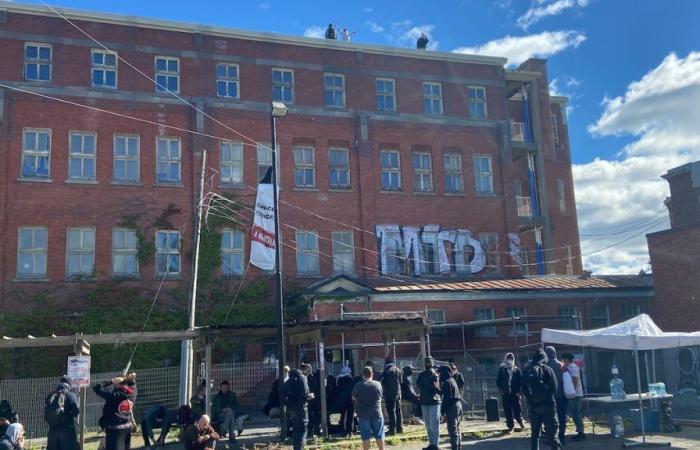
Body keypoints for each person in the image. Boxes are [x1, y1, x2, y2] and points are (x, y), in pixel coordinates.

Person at [523, 349, 560, 450]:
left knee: (535, 435)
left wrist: (531, 399)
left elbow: (524, 389)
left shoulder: (527, 370)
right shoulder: (548, 369)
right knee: (552, 435)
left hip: (534, 407)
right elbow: (554, 388)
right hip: (548, 406)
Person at [93, 373, 137, 450]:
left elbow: (96, 388)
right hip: (127, 426)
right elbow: (133, 383)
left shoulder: (113, 395)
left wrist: (111, 381)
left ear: (117, 383)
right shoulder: (132, 392)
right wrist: (131, 379)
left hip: (114, 429)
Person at [352, 366, 385, 450]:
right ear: (372, 374)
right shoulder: (378, 384)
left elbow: (353, 397)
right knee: (379, 435)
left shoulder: (359, 385)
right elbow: (381, 396)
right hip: (377, 413)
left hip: (363, 414)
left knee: (365, 437)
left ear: (363, 375)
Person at [45, 377, 80, 450]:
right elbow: (76, 412)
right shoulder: (70, 395)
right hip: (67, 431)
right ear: (69, 385)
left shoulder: (51, 395)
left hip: (53, 431)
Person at [416, 357, 441, 450]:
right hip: (425, 401)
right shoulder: (422, 374)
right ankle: (432, 444)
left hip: (434, 402)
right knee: (428, 425)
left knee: (433, 424)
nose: (427, 364)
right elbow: (418, 384)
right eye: (426, 363)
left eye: (429, 363)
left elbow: (436, 388)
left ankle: (435, 445)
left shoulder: (435, 374)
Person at [284, 368, 312, 450]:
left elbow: (283, 393)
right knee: (302, 429)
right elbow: (305, 393)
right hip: (301, 408)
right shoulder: (302, 379)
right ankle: (300, 447)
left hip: (291, 408)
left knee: (296, 429)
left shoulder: (288, 381)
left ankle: (296, 447)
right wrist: (310, 396)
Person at [544, 346, 567, 444]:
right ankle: (562, 438)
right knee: (562, 417)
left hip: (549, 397)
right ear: (554, 353)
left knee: (550, 418)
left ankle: (552, 439)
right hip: (562, 395)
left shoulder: (544, 366)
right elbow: (566, 380)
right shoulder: (562, 365)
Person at [496, 352, 524, 432]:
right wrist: (502, 391)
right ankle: (510, 426)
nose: (510, 360)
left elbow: (521, 382)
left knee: (517, 409)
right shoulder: (502, 369)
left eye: (511, 359)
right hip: (506, 393)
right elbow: (498, 381)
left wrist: (519, 392)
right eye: (509, 359)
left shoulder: (516, 369)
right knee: (508, 410)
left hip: (515, 393)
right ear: (506, 359)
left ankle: (520, 422)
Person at [561, 353, 586, 441]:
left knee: (576, 414)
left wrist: (572, 391)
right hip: (575, 395)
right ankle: (580, 432)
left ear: (567, 359)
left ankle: (581, 433)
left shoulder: (572, 367)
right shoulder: (572, 366)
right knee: (575, 414)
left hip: (576, 395)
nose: (563, 362)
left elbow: (575, 379)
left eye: (564, 359)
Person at [438, 366, 462, 450]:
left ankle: (455, 448)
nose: (439, 375)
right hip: (458, 405)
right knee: (457, 428)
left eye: (440, 373)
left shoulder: (447, 382)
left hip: (452, 407)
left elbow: (447, 398)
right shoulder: (452, 380)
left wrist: (442, 412)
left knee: (452, 429)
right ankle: (458, 447)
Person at [380, 357, 403, 435]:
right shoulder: (398, 370)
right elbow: (401, 382)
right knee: (398, 411)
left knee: (391, 411)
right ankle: (400, 428)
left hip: (390, 394)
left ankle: (392, 429)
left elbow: (383, 382)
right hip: (398, 393)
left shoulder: (386, 371)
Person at [334, 366, 355, 437]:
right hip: (350, 400)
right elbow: (352, 389)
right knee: (350, 415)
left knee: (342, 415)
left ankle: (341, 430)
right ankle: (349, 430)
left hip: (341, 400)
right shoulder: (350, 379)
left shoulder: (338, 379)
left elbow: (337, 389)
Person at [301, 364, 321, 438]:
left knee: (315, 416)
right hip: (308, 400)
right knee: (309, 417)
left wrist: (315, 395)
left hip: (314, 399)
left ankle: (316, 431)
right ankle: (310, 432)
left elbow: (317, 387)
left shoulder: (314, 376)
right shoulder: (303, 377)